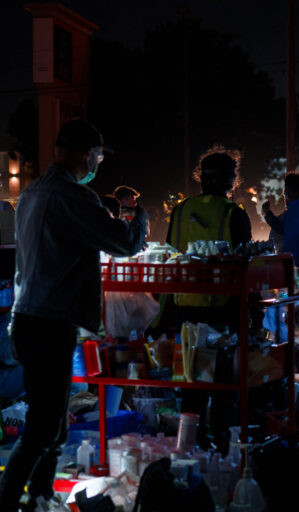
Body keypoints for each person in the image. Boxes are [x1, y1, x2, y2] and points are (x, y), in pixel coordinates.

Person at [0, 119, 147, 510]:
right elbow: (123, 242)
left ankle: (42, 497)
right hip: (48, 324)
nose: (98, 162)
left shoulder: (31, 193)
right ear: (85, 155)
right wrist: (139, 218)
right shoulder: (73, 197)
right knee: (43, 428)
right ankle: (10, 498)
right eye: (97, 155)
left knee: (55, 423)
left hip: (30, 318)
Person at [167, 148, 253, 325]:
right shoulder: (233, 213)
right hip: (222, 308)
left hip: (181, 302)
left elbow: (168, 252)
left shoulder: (180, 210)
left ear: (201, 178)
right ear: (231, 181)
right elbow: (247, 261)